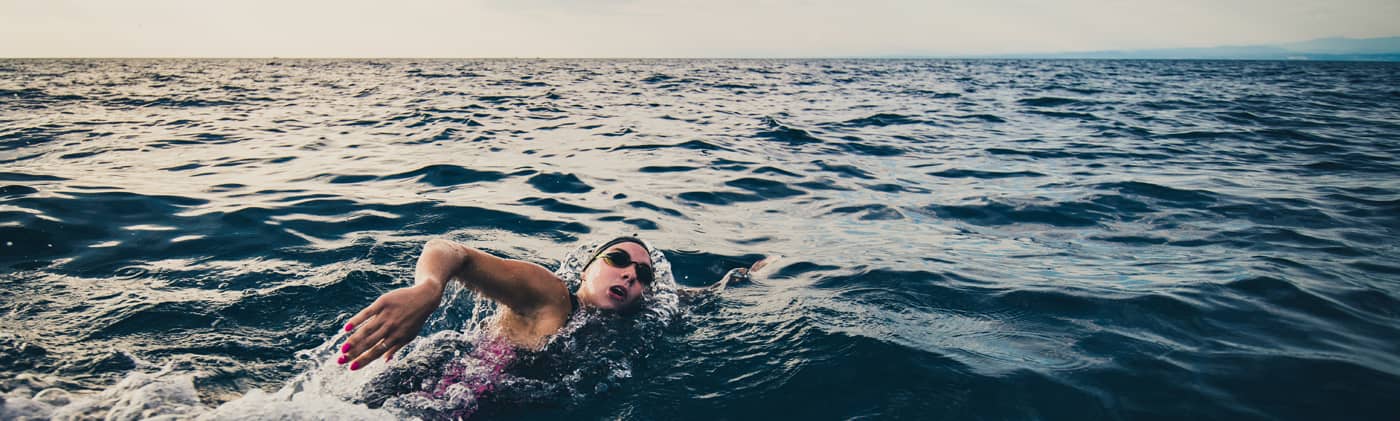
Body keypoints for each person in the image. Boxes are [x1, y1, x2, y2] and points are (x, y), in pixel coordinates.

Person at [336, 236, 771, 371]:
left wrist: (749, 277)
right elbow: (452, 252)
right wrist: (428, 290)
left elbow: (698, 296)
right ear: (585, 269)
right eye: (618, 260)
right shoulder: (549, 296)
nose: (629, 275)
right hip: (437, 394)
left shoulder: (634, 316)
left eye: (641, 276)